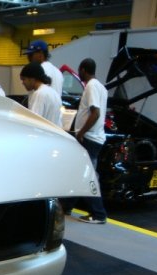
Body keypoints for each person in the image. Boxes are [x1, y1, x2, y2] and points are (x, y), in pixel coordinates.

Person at [66, 58, 109, 224]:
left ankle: (98, 214)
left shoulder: (91, 86)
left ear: (83, 70)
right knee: (78, 173)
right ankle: (66, 206)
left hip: (89, 139)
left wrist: (81, 133)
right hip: (95, 138)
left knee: (88, 177)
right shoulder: (101, 87)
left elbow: (95, 113)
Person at [20, 62, 62, 127]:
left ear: (32, 79)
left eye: (23, 79)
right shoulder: (53, 92)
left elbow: (34, 121)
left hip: (44, 132)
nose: (22, 83)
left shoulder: (39, 93)